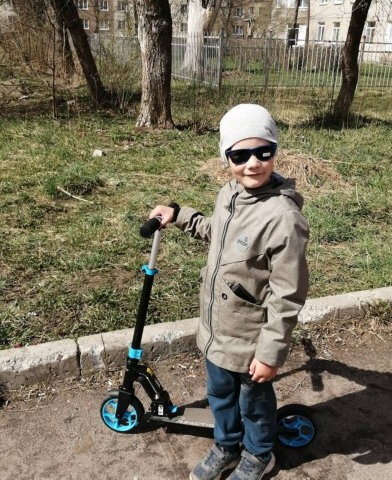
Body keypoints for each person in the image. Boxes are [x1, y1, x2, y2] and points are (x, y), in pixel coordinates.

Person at [149, 104, 309, 480]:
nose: (253, 164)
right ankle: (226, 445)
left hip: (251, 340)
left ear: (274, 151)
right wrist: (180, 215)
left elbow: (288, 295)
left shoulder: (283, 219)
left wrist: (270, 354)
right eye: (240, 155)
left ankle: (259, 454)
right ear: (226, 158)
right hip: (216, 329)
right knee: (219, 395)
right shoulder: (230, 194)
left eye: (263, 152)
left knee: (253, 403)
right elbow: (215, 231)